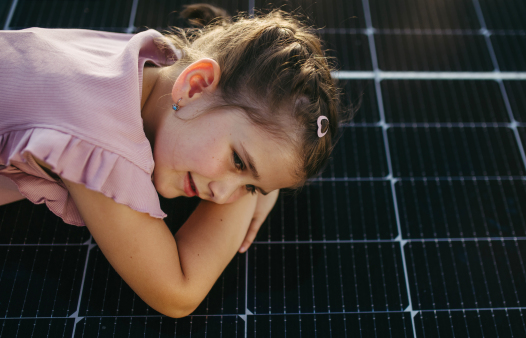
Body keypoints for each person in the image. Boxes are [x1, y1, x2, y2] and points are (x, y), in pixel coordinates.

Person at [0, 4, 349, 317]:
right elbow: (178, 294)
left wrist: (262, 173)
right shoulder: (97, 138)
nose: (225, 196)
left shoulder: (154, 65)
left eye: (248, 189)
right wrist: (253, 197)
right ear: (195, 85)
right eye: (239, 162)